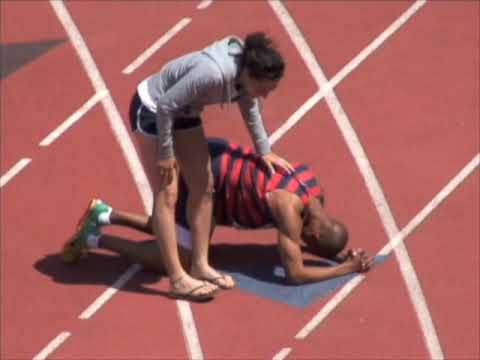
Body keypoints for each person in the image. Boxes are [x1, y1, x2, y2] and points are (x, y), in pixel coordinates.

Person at [62, 139, 373, 301]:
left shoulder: (315, 194)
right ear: (313, 232)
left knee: (180, 231)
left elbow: (317, 241)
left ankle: (104, 213)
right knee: (179, 258)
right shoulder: (288, 212)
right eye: (310, 243)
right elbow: (294, 274)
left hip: (217, 163)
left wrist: (337, 256)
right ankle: (93, 238)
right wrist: (345, 269)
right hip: (207, 177)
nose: (305, 244)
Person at [127, 32, 294, 299]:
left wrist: (265, 150)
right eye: (266, 88)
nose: (266, 95)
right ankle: (177, 278)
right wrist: (166, 153)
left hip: (185, 110)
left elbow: (249, 105)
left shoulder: (244, 79)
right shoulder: (212, 74)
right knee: (167, 192)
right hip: (153, 109)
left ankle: (200, 265)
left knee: (204, 185)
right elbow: (166, 105)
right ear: (251, 74)